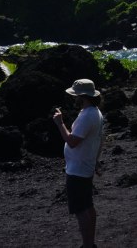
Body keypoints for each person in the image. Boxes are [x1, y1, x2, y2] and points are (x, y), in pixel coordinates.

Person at [53, 79, 104, 248]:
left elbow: (72, 141)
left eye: (75, 95)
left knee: (81, 209)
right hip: (85, 165)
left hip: (78, 169)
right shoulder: (95, 112)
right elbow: (100, 140)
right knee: (88, 206)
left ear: (82, 96)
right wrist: (95, 161)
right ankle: (90, 243)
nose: (73, 98)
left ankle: (88, 245)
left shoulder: (88, 115)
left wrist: (60, 124)